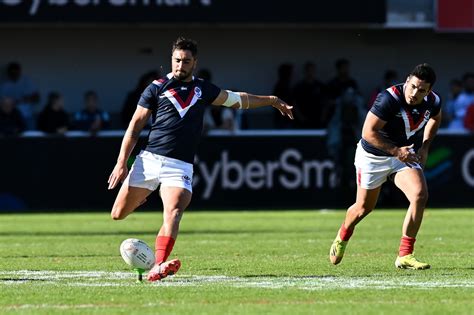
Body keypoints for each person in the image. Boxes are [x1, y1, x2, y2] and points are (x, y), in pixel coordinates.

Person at [108, 37, 293, 282]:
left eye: (186, 61)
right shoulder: (156, 87)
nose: (180, 65)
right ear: (171, 60)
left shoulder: (203, 89)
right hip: (149, 160)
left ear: (195, 63)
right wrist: (122, 162)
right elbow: (135, 125)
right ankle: (145, 197)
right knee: (118, 214)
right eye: (176, 60)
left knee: (173, 212)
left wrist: (270, 100)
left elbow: (238, 100)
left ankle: (159, 265)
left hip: (179, 166)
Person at [329, 63, 442, 270]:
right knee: (364, 208)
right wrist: (398, 151)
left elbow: (436, 117)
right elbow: (368, 133)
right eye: (413, 86)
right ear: (407, 80)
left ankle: (405, 254)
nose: (415, 93)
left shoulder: (433, 101)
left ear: (429, 91)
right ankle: (343, 234)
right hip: (373, 156)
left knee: (420, 195)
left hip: (402, 155)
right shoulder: (389, 99)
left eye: (422, 90)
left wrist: (425, 147)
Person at [0, 62, 40, 130]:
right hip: (11, 117)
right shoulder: (4, 85)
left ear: (19, 72)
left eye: (16, 72)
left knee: (31, 136)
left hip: (28, 115)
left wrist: (28, 99)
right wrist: (12, 102)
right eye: (12, 73)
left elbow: (37, 98)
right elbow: (3, 103)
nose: (14, 75)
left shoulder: (27, 81)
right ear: (8, 73)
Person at [292, 62, 328, 129]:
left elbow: (325, 102)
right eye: (308, 70)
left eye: (312, 70)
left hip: (317, 119)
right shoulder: (299, 87)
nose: (310, 72)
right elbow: (294, 104)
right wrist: (300, 117)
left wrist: (323, 116)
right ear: (305, 71)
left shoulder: (320, 86)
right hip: (303, 120)